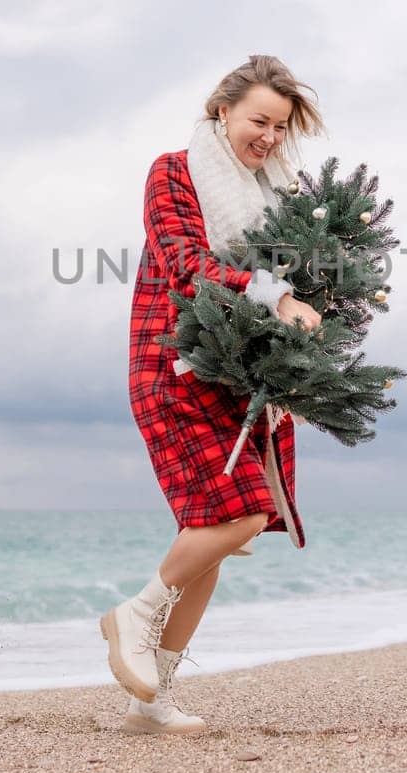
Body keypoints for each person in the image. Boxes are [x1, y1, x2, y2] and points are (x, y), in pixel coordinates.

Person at [100, 54, 326, 735]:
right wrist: (274, 293)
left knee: (212, 539)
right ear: (222, 109)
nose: (270, 137)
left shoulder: (277, 197)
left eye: (281, 127)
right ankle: (133, 617)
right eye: (260, 119)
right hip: (175, 365)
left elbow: (303, 280)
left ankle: (151, 700)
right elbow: (183, 261)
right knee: (243, 515)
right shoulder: (174, 170)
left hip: (242, 383)